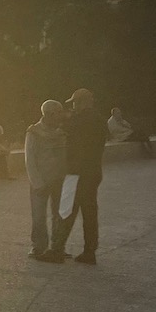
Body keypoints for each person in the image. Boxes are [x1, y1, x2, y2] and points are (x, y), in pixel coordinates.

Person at [56, 88, 104, 265]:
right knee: (90, 213)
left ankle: (57, 249)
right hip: (93, 171)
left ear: (82, 102)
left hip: (76, 172)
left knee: (66, 210)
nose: (73, 106)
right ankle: (90, 251)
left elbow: (68, 137)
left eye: (74, 103)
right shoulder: (99, 120)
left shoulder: (79, 120)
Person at [25, 100, 68, 263]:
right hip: (41, 180)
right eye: (58, 112)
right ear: (49, 114)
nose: (61, 115)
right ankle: (39, 246)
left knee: (60, 215)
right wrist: (37, 182)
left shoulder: (62, 131)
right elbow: (30, 159)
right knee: (38, 216)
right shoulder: (34, 132)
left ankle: (57, 247)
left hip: (60, 179)